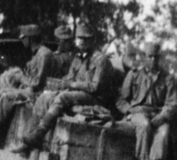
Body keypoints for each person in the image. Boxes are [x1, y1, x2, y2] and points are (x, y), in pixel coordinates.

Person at [18, 23, 120, 151]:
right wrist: (60, 84)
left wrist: (71, 85)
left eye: (86, 38)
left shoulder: (101, 60)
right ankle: (30, 139)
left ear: (92, 40)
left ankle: (39, 134)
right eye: (79, 38)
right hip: (79, 94)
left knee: (63, 97)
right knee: (46, 97)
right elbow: (70, 77)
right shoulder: (78, 57)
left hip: (95, 98)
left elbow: (95, 87)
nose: (82, 42)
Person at [117, 42, 173, 160]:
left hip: (158, 115)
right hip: (138, 113)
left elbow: (172, 103)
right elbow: (121, 99)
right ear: (144, 57)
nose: (152, 60)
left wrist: (162, 116)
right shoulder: (134, 74)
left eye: (155, 57)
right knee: (144, 125)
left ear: (159, 58)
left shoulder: (167, 78)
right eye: (149, 57)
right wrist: (129, 110)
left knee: (164, 132)